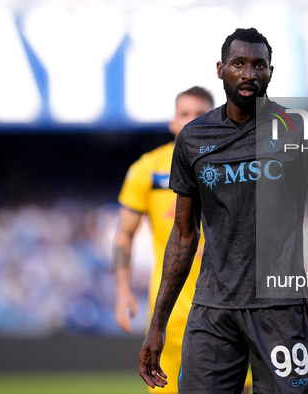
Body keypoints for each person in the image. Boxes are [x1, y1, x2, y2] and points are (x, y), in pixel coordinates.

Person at [139, 28, 308, 394]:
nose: (249, 73)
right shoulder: (194, 138)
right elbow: (184, 234)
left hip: (280, 311)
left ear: (270, 72)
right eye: (239, 64)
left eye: (259, 65)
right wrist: (158, 322)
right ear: (220, 70)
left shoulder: (295, 130)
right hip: (212, 312)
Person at [114, 86, 215, 394]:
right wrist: (122, 292)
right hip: (168, 309)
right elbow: (124, 235)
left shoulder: (235, 166)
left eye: (200, 115)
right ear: (172, 122)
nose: (191, 121)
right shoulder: (148, 169)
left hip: (223, 305)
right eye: (184, 114)